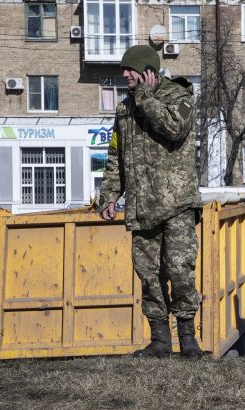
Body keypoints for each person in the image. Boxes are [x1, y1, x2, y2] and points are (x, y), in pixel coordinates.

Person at [99, 45, 203, 359]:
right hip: (142, 207)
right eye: (123, 71)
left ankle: (188, 340)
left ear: (148, 71)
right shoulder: (124, 110)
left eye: (130, 70)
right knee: (148, 274)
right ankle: (159, 341)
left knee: (180, 271)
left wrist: (145, 97)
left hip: (176, 204)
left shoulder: (179, 98)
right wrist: (109, 195)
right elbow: (117, 157)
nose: (125, 76)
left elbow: (174, 128)